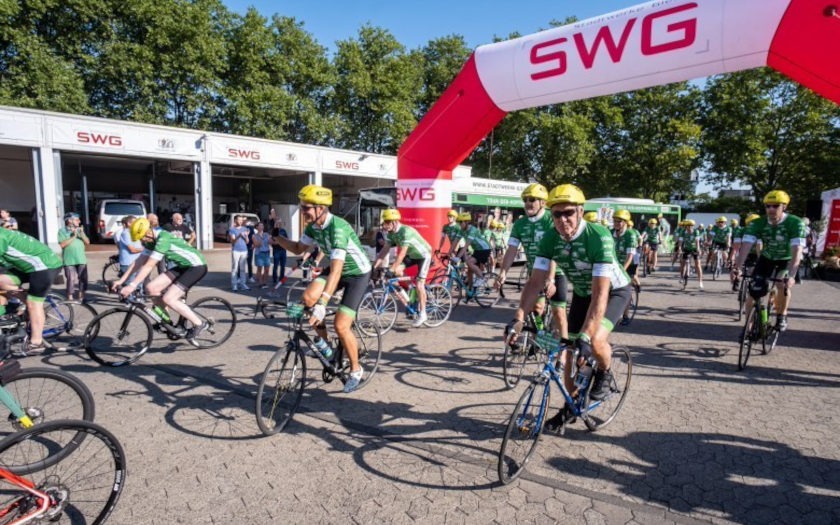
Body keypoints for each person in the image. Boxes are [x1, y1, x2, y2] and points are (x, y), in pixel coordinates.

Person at [512, 184, 631, 431]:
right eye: (557, 214)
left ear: (580, 211)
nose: (563, 219)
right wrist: (519, 318)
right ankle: (571, 405)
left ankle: (605, 370)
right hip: (583, 293)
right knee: (567, 350)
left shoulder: (598, 236)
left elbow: (600, 294)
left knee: (595, 340)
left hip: (613, 292)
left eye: (569, 213)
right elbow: (534, 282)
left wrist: (586, 336)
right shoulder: (550, 238)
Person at [272, 185, 372, 393]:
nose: (302, 211)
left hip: (356, 274)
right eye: (302, 207)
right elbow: (299, 249)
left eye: (306, 208)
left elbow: (336, 271)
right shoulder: (313, 226)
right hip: (337, 271)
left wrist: (324, 303)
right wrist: (278, 239)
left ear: (321, 208)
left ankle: (356, 369)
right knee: (308, 298)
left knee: (341, 325)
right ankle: (326, 349)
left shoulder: (338, 228)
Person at [112, 217, 209, 345]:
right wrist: (121, 280)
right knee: (151, 288)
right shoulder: (150, 241)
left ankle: (199, 324)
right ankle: (166, 322)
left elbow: (149, 265)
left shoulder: (163, 238)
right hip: (182, 266)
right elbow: (139, 261)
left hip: (196, 266)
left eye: (142, 238)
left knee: (169, 298)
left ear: (148, 232)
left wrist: (132, 285)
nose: (142, 241)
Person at [495, 183, 568, 341]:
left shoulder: (552, 219)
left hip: (557, 271)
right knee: (536, 308)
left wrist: (551, 278)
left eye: (532, 199)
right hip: (535, 272)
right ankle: (537, 339)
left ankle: (564, 353)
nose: (528, 203)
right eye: (525, 199)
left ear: (543, 202)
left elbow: (555, 250)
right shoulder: (520, 224)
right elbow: (512, 250)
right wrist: (503, 272)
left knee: (558, 312)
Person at [732, 190, 806, 332]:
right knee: (753, 292)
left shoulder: (795, 223)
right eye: (768, 206)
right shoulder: (757, 223)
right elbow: (745, 247)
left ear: (784, 206)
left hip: (786, 259)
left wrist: (791, 276)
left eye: (775, 206)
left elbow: (797, 251)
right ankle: (749, 326)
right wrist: (737, 268)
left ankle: (781, 315)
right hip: (767, 258)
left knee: (781, 284)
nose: (771, 209)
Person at [0, 228, 63, 354]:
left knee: (33, 303)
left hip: (44, 266)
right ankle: (21, 303)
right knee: (1, 282)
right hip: (28, 266)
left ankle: (36, 342)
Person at [373, 208, 432, 327]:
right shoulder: (391, 233)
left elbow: (402, 254)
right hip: (412, 256)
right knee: (396, 274)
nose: (384, 225)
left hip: (423, 255)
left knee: (420, 285)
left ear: (394, 222)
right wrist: (374, 267)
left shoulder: (406, 231)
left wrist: (391, 268)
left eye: (387, 222)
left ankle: (423, 313)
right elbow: (384, 250)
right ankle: (411, 291)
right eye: (384, 222)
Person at [450, 212, 492, 288]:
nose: (459, 224)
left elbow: (466, 246)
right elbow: (455, 242)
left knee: (469, 262)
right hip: (477, 250)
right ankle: (470, 290)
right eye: (458, 222)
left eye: (460, 222)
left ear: (466, 222)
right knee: (469, 270)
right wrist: (448, 253)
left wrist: (458, 257)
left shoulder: (472, 230)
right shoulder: (461, 230)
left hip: (484, 249)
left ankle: (481, 278)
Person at [613, 210, 639, 324]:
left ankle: (625, 315)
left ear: (625, 223)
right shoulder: (610, 232)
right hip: (615, 263)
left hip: (628, 264)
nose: (616, 223)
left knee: (625, 288)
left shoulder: (630, 234)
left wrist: (622, 270)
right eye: (614, 221)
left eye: (619, 221)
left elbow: (630, 255)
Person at [57, 212, 90, 302]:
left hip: (81, 258)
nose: (79, 221)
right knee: (71, 279)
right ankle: (70, 297)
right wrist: (74, 236)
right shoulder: (62, 231)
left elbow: (87, 242)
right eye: (76, 219)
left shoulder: (80, 230)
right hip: (69, 259)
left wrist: (81, 233)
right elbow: (62, 244)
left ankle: (81, 296)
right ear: (69, 220)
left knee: (83, 278)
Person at [678, 220, 704, 289]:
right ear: (686, 226)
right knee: (683, 263)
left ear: (693, 226)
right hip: (686, 249)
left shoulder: (696, 231)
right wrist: (680, 248)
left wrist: (698, 249)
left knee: (698, 265)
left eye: (691, 226)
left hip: (694, 249)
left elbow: (697, 242)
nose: (689, 227)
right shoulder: (683, 232)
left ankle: (700, 281)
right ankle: (681, 276)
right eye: (688, 226)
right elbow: (680, 241)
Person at [229, 215, 250, 291]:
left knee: (243, 268)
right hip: (236, 250)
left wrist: (246, 236)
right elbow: (233, 241)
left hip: (244, 250)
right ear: (235, 220)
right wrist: (239, 236)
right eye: (239, 220)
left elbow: (247, 242)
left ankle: (243, 284)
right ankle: (234, 285)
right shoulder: (232, 229)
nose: (240, 221)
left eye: (241, 220)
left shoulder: (245, 229)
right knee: (235, 268)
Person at [269, 217, 288, 284]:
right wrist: (279, 242)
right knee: (276, 266)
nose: (279, 224)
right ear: (275, 223)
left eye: (280, 223)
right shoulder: (273, 231)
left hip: (283, 250)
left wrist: (280, 242)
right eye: (278, 223)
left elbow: (286, 240)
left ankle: (282, 279)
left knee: (283, 266)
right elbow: (271, 241)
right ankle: (274, 279)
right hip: (276, 250)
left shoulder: (283, 231)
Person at [252, 222, 271, 288]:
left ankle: (265, 282)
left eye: (262, 225)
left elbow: (270, 242)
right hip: (259, 253)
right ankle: (260, 283)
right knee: (259, 268)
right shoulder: (254, 236)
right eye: (260, 226)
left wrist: (271, 239)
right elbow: (257, 244)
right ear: (257, 227)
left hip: (267, 253)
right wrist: (261, 239)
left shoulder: (266, 234)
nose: (261, 227)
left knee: (267, 269)